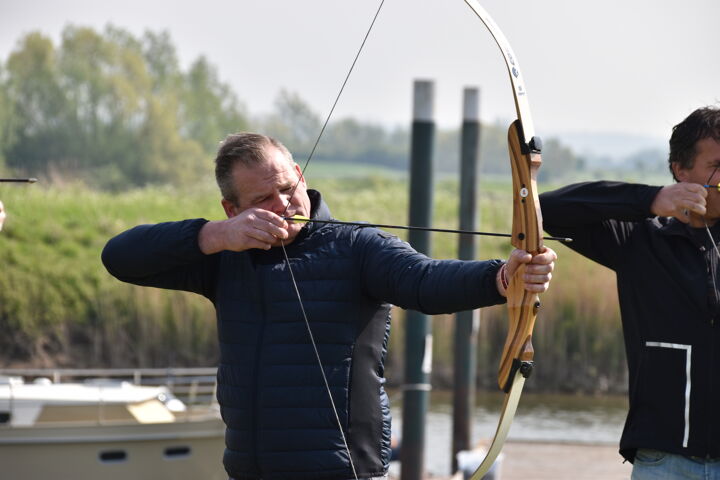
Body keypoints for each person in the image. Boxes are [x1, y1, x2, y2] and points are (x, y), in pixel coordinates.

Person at [102, 132, 557, 480]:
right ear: (231, 208)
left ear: (300, 174)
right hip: (251, 468)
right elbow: (119, 257)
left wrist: (501, 278)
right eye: (262, 200)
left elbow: (424, 281)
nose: (282, 205)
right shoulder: (225, 257)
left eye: (287, 188)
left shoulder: (358, 247)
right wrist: (215, 237)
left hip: (342, 470)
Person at [540, 106, 720, 479]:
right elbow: (546, 209)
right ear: (681, 170)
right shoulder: (640, 239)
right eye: (716, 166)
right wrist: (650, 200)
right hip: (663, 462)